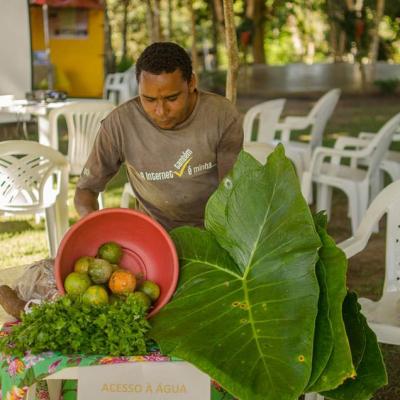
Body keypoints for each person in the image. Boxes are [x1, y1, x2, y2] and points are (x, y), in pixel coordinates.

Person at [74, 42, 243, 230]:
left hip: (212, 230)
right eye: (149, 99)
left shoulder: (221, 115)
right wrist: (90, 223)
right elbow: (86, 190)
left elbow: (232, 190)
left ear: (192, 83)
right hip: (154, 235)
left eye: (172, 98)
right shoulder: (120, 123)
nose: (160, 111)